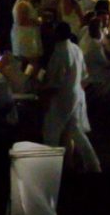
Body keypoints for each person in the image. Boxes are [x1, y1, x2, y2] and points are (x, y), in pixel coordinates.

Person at [42, 22, 101, 173]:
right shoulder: (76, 49)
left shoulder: (59, 52)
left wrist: (45, 95)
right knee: (77, 132)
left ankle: (50, 169)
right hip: (76, 95)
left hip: (62, 97)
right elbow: (84, 75)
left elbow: (55, 81)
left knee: (51, 133)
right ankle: (93, 165)